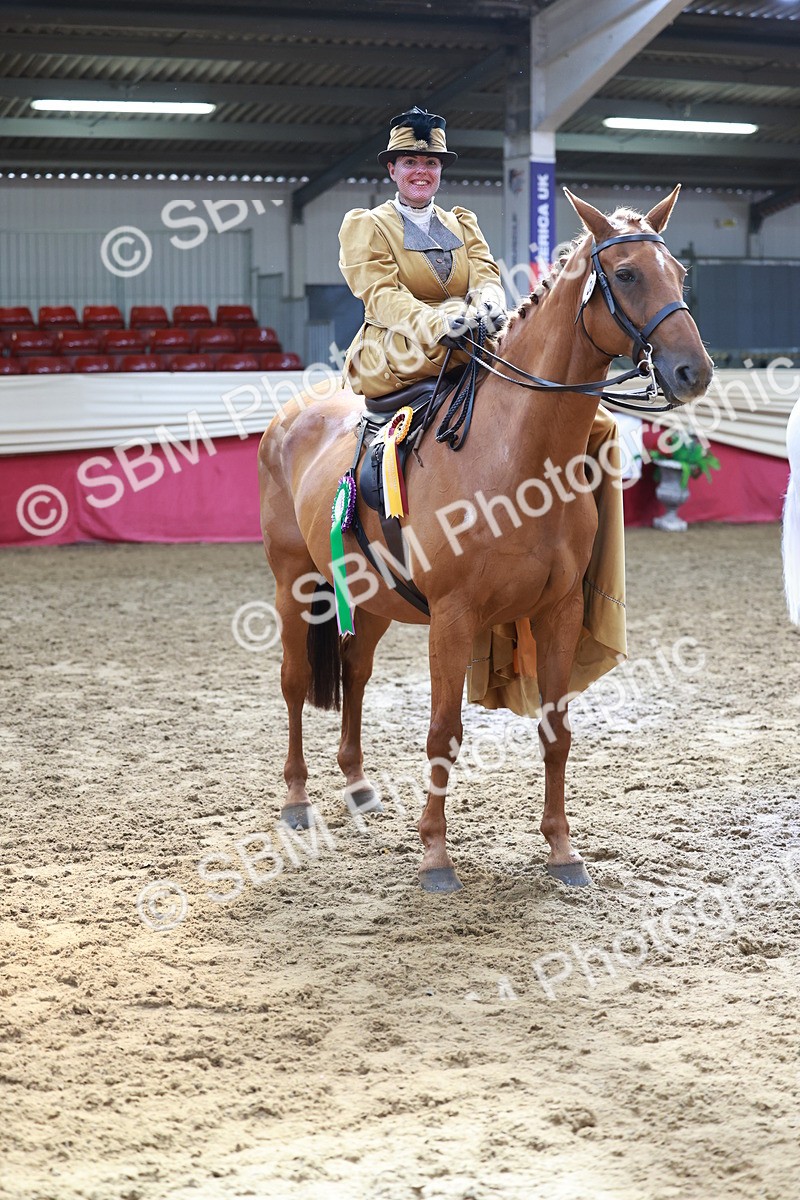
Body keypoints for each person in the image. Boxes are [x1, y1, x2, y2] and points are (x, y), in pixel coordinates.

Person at [338, 106, 508, 399]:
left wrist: (490, 305)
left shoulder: (463, 223)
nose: (421, 171)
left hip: (466, 333)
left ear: (440, 171)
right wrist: (440, 325)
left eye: (431, 162)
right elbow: (383, 296)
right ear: (392, 170)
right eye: (409, 162)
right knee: (496, 351)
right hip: (399, 342)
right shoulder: (367, 224)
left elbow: (485, 277)